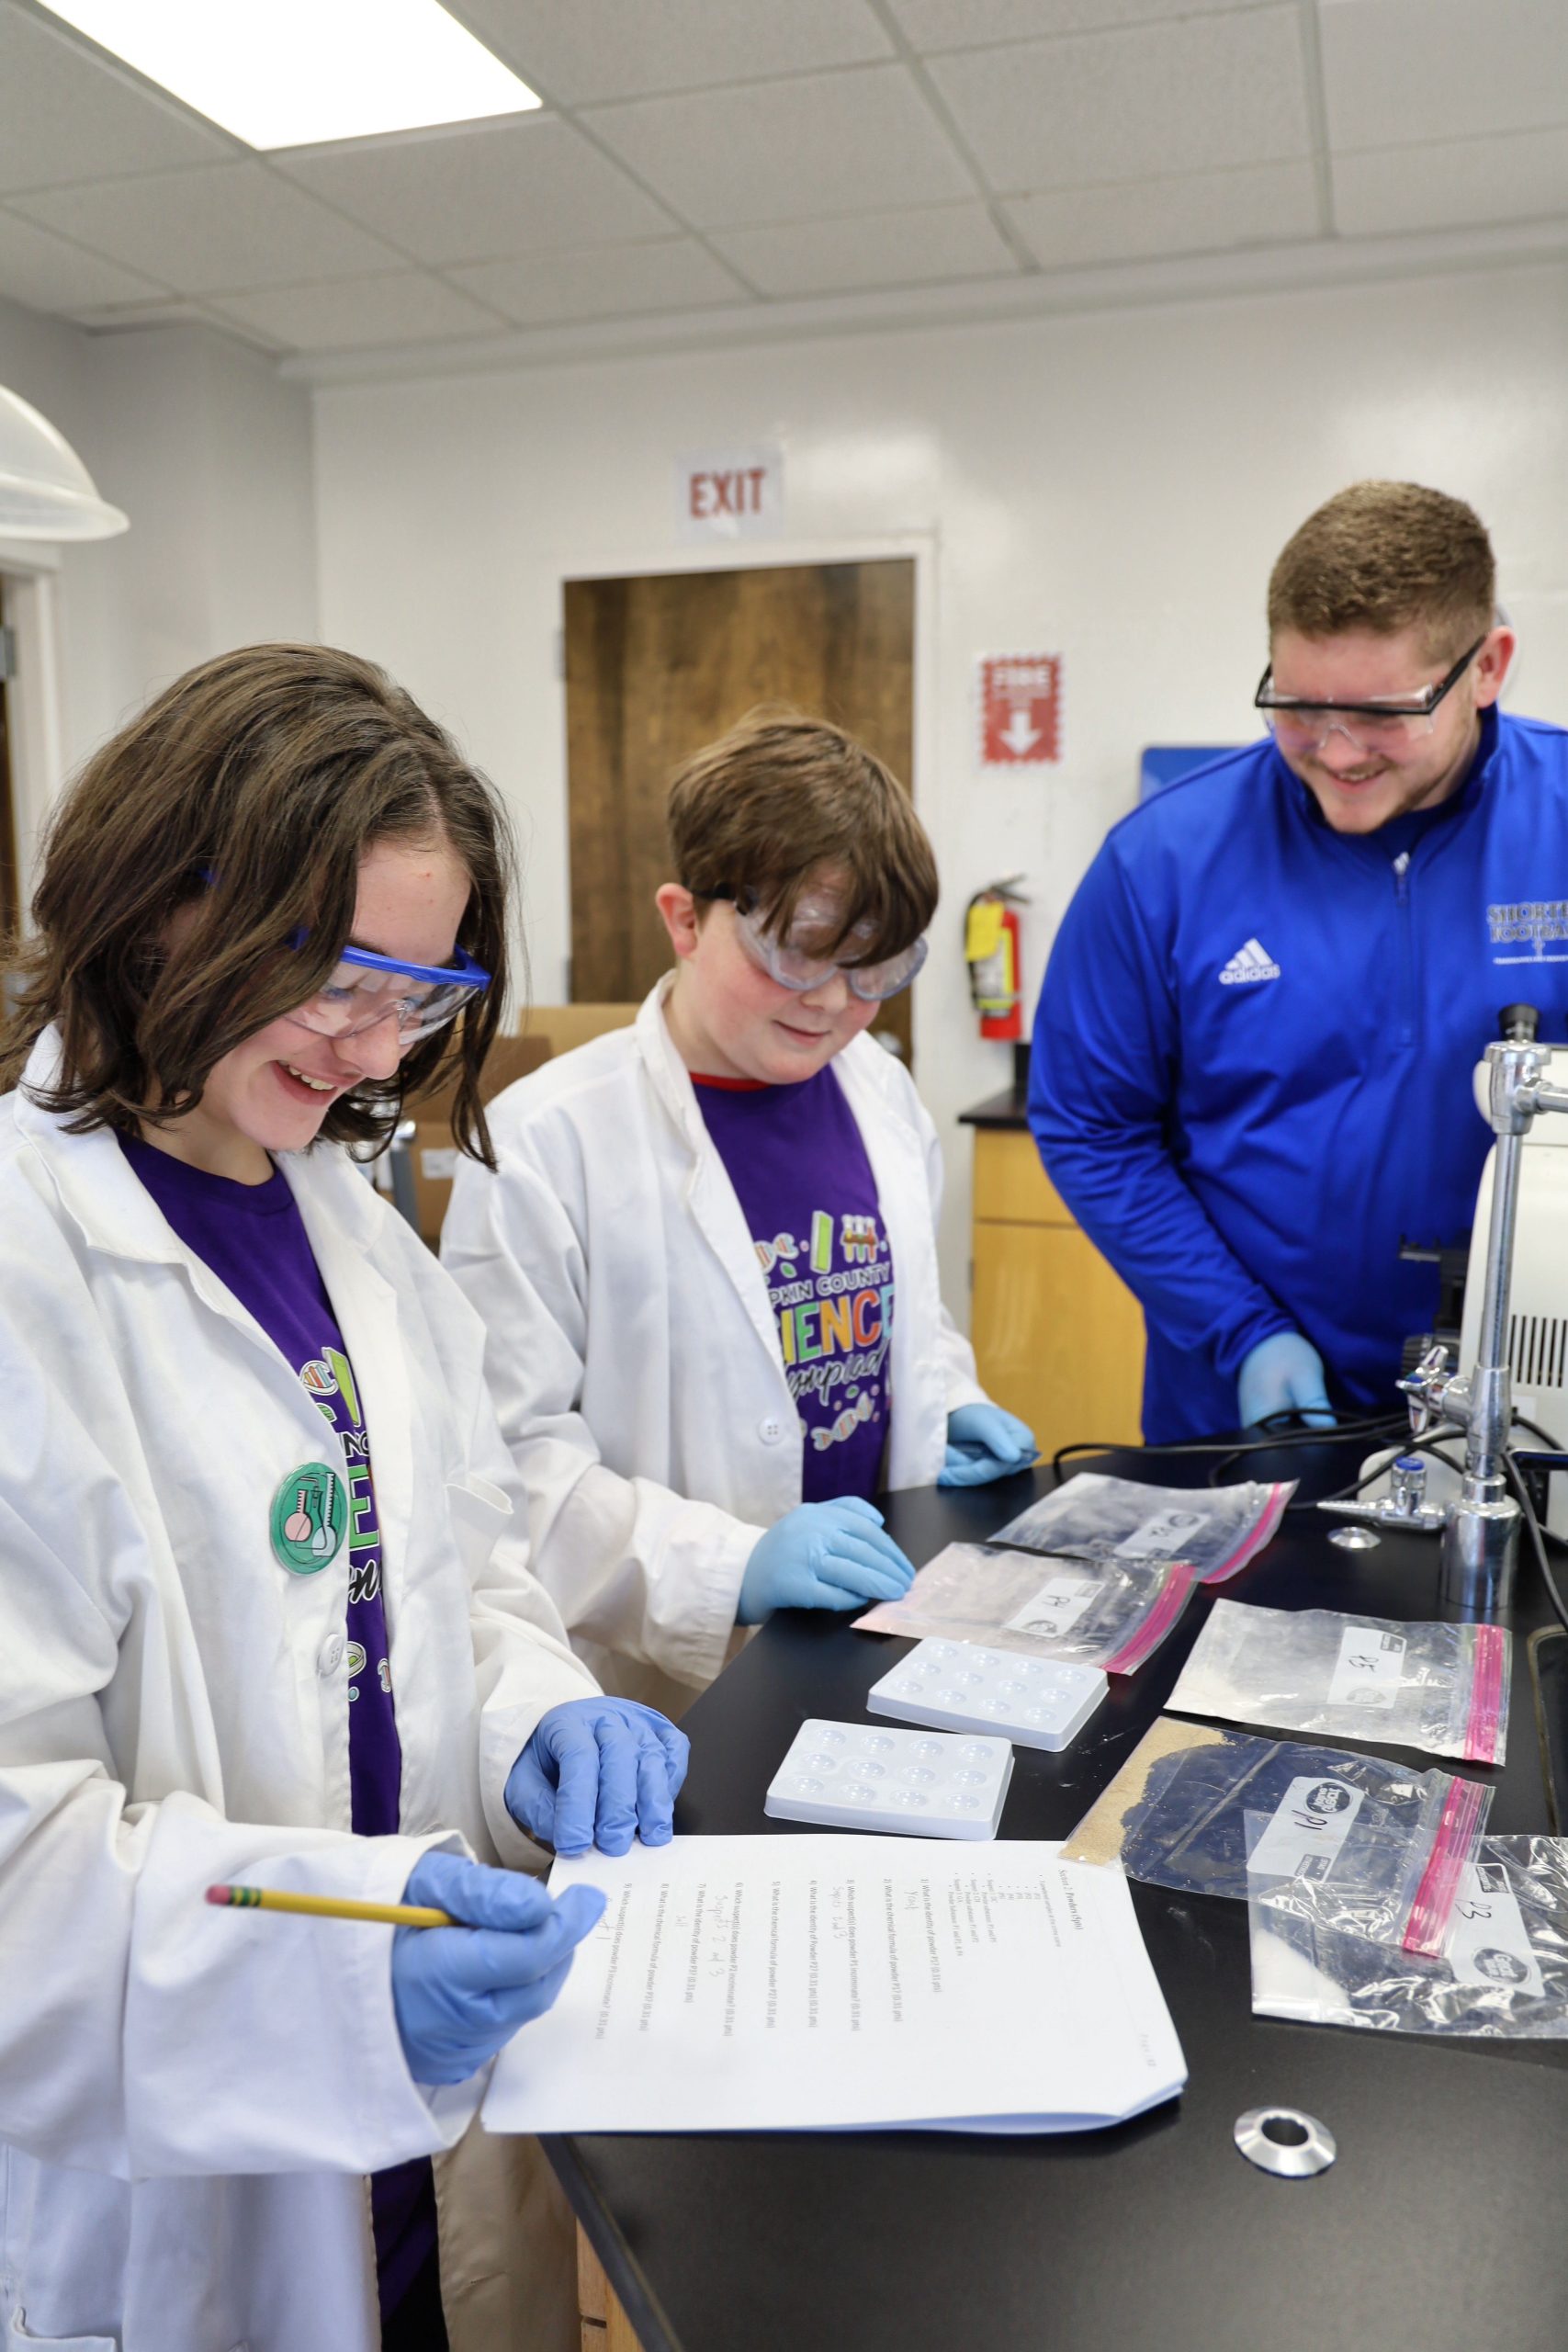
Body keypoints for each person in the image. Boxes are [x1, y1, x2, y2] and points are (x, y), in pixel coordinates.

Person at [0, 644, 689, 2352]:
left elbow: (451, 1580)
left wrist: (535, 1712)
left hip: (425, 2150)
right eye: (341, 977)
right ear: (165, 900)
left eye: (422, 992)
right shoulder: (28, 1269)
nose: (381, 1042)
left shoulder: (355, 1230)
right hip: (184, 2188)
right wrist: (329, 1974)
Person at [442, 711, 1035, 1714]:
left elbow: (896, 1310)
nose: (833, 1003)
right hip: (669, 1685)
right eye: (796, 955)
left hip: (880, 1624)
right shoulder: (546, 1142)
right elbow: (510, 1468)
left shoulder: (879, 1089)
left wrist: (946, 1392)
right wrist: (733, 1564)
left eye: (875, 970)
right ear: (684, 918)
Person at [1030, 479, 1568, 1443]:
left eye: (1381, 713)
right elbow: (1088, 1125)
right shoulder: (1164, 861)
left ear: (1489, 666)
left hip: (1534, 1410)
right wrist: (1240, 1330)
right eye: (1297, 704)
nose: (1334, 750)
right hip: (1254, 1410)